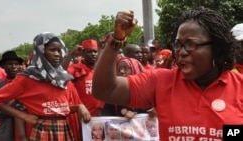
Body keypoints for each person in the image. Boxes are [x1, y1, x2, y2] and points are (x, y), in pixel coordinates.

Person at [92, 8, 243, 140]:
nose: (182, 52)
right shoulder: (160, 81)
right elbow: (105, 89)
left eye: (191, 44)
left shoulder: (239, 87)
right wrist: (116, 41)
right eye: (178, 45)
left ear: (217, 47)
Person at [0, 32, 91, 141]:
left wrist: (78, 107)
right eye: (52, 50)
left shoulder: (62, 78)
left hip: (63, 129)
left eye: (59, 50)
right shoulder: (28, 78)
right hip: (42, 131)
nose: (57, 54)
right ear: (41, 51)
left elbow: (58, 109)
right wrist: (24, 116)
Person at [67, 39, 104, 117]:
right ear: (83, 54)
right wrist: (71, 54)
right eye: (89, 52)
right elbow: (61, 74)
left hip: (101, 116)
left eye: (95, 51)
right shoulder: (75, 69)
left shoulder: (101, 69)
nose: (93, 54)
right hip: (83, 116)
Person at [0, 50, 24, 141]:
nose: (13, 67)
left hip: (28, 128)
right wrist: (12, 107)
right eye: (10, 64)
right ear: (3, 67)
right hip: (8, 130)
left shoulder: (28, 84)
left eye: (16, 64)